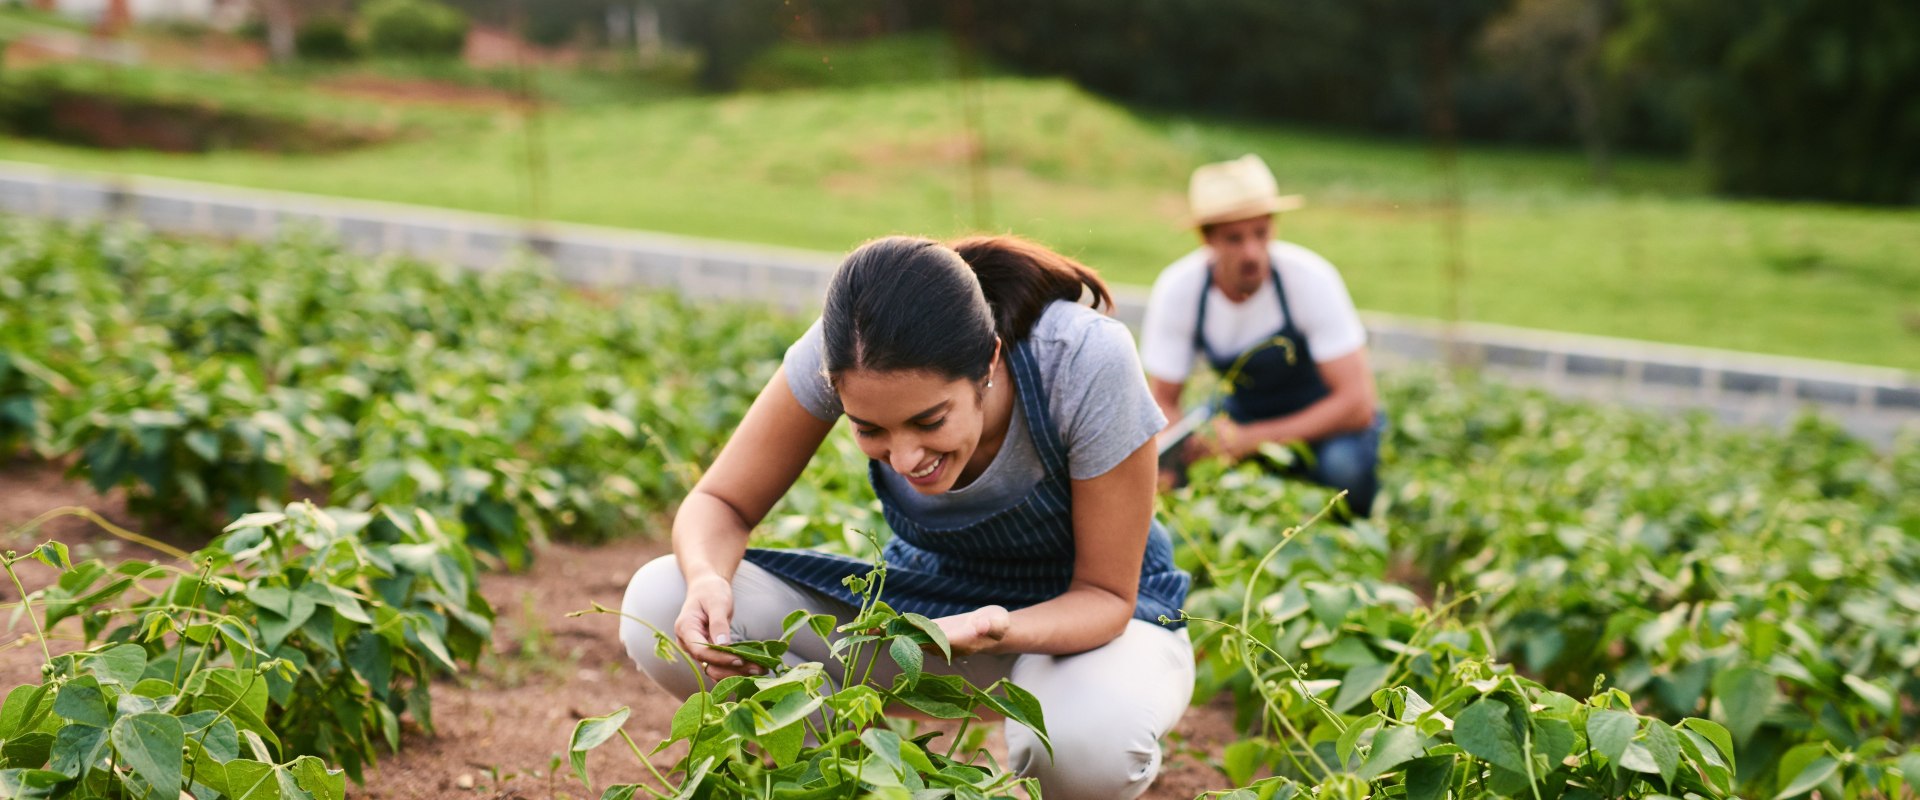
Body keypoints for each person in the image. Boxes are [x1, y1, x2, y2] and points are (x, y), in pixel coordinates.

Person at [620, 235, 1194, 800]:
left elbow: (1104, 594)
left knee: (1082, 750)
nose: (905, 458)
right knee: (660, 599)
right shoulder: (841, 351)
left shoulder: (1083, 360)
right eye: (870, 430)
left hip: (1093, 627)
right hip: (929, 612)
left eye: (930, 420)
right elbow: (722, 503)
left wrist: (997, 628)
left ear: (989, 360)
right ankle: (856, 778)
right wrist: (706, 580)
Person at [1140, 154, 1385, 517]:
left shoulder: (1310, 279)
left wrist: (1253, 440)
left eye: (1260, 233)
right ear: (1206, 238)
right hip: (1243, 414)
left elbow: (1357, 405)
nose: (1251, 253)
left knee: (1342, 469)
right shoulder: (1181, 290)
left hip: (1326, 421)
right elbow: (1164, 401)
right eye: (1234, 239)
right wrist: (1186, 448)